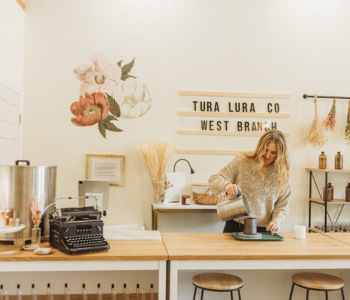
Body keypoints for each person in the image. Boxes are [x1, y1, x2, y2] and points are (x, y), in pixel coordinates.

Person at [209, 129, 291, 233]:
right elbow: (213, 179)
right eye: (265, 150)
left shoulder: (282, 175)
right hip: (236, 226)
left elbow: (282, 205)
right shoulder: (242, 161)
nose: (267, 155)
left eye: (273, 152)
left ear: (280, 154)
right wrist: (226, 185)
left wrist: (276, 221)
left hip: (263, 230)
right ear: (260, 147)